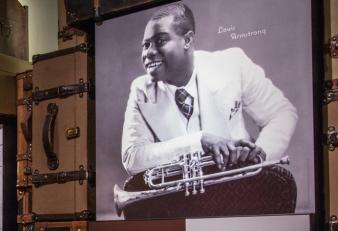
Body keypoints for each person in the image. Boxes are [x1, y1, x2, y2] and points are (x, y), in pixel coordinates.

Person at [121, 2, 297, 176]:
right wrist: (199, 141)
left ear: (187, 40)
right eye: (145, 45)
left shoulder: (233, 64)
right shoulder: (141, 90)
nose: (148, 53)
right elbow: (132, 157)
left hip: (242, 186)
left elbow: (281, 113)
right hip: (181, 200)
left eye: (160, 40)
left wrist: (259, 156)